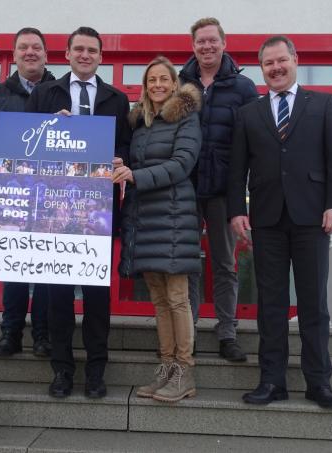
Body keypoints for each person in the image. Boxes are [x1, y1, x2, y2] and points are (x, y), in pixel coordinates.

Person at [227, 35, 332, 409]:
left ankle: (319, 383)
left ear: (295, 60)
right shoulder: (250, 112)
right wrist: (237, 210)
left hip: (313, 218)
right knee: (272, 304)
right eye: (268, 64)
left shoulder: (324, 104)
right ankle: (272, 381)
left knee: (314, 303)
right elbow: (237, 170)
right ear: (261, 68)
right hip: (266, 220)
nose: (276, 68)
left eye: (282, 61)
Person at [26, 26, 131, 399]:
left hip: (97, 214)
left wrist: (122, 159)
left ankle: (96, 371)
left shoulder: (117, 99)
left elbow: (127, 149)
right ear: (67, 54)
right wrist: (51, 128)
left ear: (101, 57)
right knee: (56, 299)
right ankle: (62, 371)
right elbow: (27, 147)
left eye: (92, 50)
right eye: (79, 49)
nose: (85, 55)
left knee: (97, 299)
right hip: (54, 213)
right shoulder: (43, 94)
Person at [114, 56, 202, 402]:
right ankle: (166, 369)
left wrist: (136, 175)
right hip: (144, 217)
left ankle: (185, 372)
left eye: (164, 79)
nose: (158, 85)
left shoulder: (188, 119)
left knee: (178, 298)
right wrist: (124, 165)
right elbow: (138, 165)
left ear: (174, 83)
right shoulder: (140, 123)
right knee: (159, 300)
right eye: (152, 80)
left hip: (175, 217)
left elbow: (181, 165)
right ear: (145, 86)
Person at [178, 17, 259, 362]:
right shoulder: (181, 83)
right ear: (193, 46)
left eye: (213, 41)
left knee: (226, 263)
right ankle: (189, 329)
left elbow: (254, 142)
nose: (207, 47)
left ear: (224, 44)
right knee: (187, 262)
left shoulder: (242, 87)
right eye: (201, 42)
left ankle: (227, 331)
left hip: (225, 190)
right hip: (186, 187)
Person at [0, 28, 55, 359]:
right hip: (11, 191)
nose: (30, 52)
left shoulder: (63, 92)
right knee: (14, 263)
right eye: (23, 47)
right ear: (13, 55)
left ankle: (43, 334)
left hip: (54, 194)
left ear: (47, 54)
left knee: (45, 265)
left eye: (36, 47)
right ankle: (10, 332)